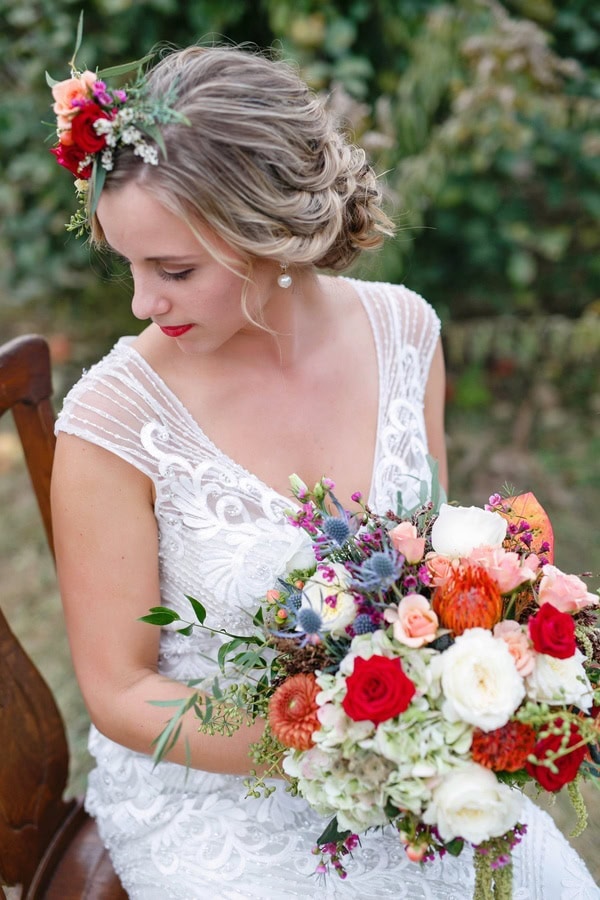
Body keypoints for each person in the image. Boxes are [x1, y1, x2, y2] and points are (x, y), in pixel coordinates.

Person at [49, 44, 598, 899]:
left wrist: (460, 690)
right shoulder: (111, 423)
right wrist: (329, 742)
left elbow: (432, 570)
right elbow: (121, 691)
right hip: (220, 799)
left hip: (411, 764)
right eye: (130, 265)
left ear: (270, 233)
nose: (142, 303)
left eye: (174, 270)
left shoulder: (406, 332)